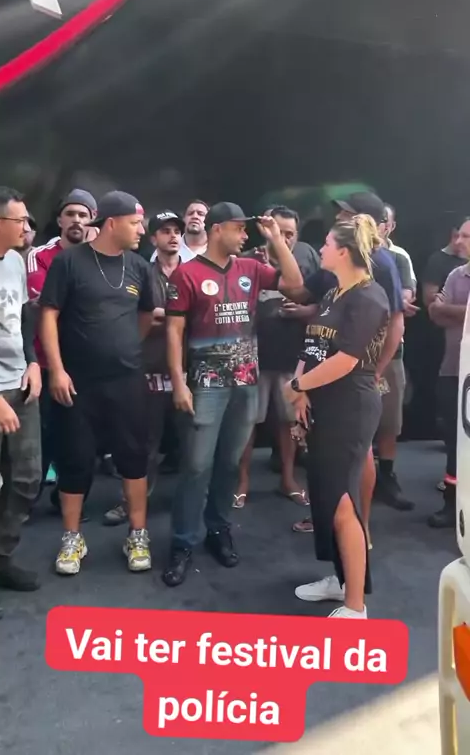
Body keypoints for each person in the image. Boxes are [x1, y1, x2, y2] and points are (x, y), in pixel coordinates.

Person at [162, 202, 304, 587]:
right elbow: (173, 331)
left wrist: (276, 240)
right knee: (196, 466)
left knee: (229, 463)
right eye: (239, 229)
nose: (245, 236)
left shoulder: (251, 269)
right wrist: (178, 381)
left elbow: (294, 284)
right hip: (205, 385)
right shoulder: (187, 273)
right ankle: (182, 542)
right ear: (218, 229)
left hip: (245, 383)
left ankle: (218, 530)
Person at [39, 191, 155, 576]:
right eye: (135, 223)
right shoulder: (69, 262)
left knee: (133, 458)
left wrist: (122, 349)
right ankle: (72, 538)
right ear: (112, 223)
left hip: (126, 381)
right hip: (77, 383)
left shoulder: (138, 266)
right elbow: (48, 316)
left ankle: (137, 534)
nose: (141, 230)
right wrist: (57, 370)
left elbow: (145, 317)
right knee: (75, 460)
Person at [284, 214, 390, 619]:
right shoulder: (333, 295)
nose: (321, 249)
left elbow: (346, 360)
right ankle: (341, 579)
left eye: (327, 243)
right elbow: (312, 349)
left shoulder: (369, 297)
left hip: (350, 405)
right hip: (322, 401)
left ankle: (355, 605)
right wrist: (300, 392)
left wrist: (298, 385)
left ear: (344, 251)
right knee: (327, 498)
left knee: (343, 500)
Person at [103, 210, 186, 526]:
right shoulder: (140, 271)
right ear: (153, 238)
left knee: (193, 442)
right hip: (149, 368)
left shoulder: (193, 271)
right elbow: (134, 315)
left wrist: (164, 314)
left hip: (188, 371)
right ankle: (131, 503)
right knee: (144, 443)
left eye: (176, 231)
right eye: (165, 231)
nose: (173, 236)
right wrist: (172, 315)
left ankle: (196, 501)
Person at [235, 205, 317, 507]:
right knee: (247, 422)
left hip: (290, 355)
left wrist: (305, 311)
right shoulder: (246, 259)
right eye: (277, 232)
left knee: (288, 421)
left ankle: (288, 479)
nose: (283, 238)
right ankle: (242, 481)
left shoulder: (307, 257)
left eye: (290, 233)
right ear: (264, 229)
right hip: (251, 355)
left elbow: (322, 301)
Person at [0, 187, 42, 622]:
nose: (27, 227)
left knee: (26, 478)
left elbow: (24, 316)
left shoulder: (14, 260)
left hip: (20, 385)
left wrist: (33, 362)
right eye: (19, 220)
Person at [26, 189, 97, 507]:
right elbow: (45, 306)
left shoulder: (101, 256)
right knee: (41, 437)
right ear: (59, 220)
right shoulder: (39, 256)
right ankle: (26, 503)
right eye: (70, 214)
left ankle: (69, 501)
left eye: (83, 215)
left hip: (85, 365)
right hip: (43, 364)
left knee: (81, 441)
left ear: (93, 220)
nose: (76, 220)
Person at [428, 218, 470, 528]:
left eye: (466, 237)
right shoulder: (457, 275)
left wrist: (449, 309)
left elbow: (444, 309)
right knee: (455, 442)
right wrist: (453, 311)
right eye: (458, 236)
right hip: (453, 370)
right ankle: (452, 505)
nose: (458, 242)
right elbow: (434, 313)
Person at [150, 199, 208, 263]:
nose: (195, 216)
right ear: (184, 219)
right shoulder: (163, 251)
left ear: (209, 220)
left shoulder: (215, 248)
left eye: (200, 214)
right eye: (190, 213)